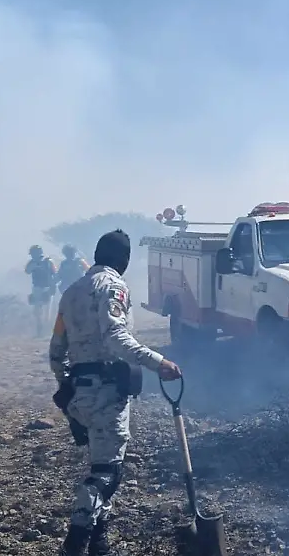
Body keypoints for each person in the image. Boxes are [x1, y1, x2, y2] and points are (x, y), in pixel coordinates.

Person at [49, 230, 182, 556]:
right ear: (123, 260)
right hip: (106, 391)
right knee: (107, 474)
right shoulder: (113, 287)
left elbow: (56, 351)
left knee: (101, 464)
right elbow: (115, 338)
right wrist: (158, 361)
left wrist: (66, 384)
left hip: (81, 392)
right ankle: (76, 543)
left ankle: (99, 544)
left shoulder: (70, 293)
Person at [26, 245, 58, 335]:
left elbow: (55, 273)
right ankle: (39, 329)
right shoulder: (31, 262)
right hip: (36, 287)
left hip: (47, 287)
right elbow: (27, 271)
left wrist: (53, 286)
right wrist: (34, 265)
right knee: (37, 310)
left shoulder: (48, 261)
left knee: (47, 311)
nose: (33, 255)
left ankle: (47, 330)